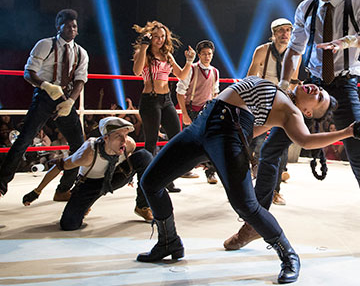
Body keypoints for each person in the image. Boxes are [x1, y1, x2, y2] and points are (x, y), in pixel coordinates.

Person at [223, 0, 360, 262]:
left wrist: (349, 41)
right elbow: (295, 50)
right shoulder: (306, 8)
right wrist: (285, 84)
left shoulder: (357, 5)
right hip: (312, 86)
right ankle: (255, 224)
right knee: (270, 151)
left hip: (344, 86)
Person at [136, 76, 360, 284]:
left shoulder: (292, 113)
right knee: (150, 182)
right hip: (203, 123)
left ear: (307, 113)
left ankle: (289, 256)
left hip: (224, 130)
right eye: (319, 89)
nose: (317, 90)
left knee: (246, 205)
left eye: (319, 98)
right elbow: (252, 130)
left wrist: (348, 132)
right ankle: (168, 241)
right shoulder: (279, 94)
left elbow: (305, 141)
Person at [0, 9, 88, 200]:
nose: (72, 29)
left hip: (65, 98)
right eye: (68, 26)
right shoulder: (45, 45)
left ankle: (63, 189)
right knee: (24, 140)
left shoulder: (81, 53)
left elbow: (80, 80)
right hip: (44, 96)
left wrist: (70, 101)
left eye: (74, 26)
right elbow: (29, 72)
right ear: (58, 26)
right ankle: (1, 185)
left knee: (79, 146)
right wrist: (46, 85)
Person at [22, 117, 154, 229]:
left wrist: (130, 176)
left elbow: (129, 159)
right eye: (118, 136)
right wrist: (37, 191)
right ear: (106, 138)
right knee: (69, 224)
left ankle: (142, 206)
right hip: (90, 184)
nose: (124, 141)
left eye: (125, 135)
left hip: (113, 177)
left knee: (144, 156)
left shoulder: (129, 144)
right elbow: (59, 166)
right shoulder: (88, 153)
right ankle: (84, 205)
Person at [132, 20, 195, 193]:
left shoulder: (167, 55)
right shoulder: (144, 53)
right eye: (156, 36)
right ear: (150, 37)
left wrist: (189, 61)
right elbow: (136, 72)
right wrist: (143, 47)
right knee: (151, 143)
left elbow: (181, 75)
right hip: (150, 100)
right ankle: (145, 184)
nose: (159, 40)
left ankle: (167, 179)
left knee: (175, 139)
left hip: (166, 100)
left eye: (162, 37)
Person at [246, 18, 300, 205]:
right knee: (255, 144)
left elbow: (294, 82)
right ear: (274, 33)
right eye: (281, 30)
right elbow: (250, 77)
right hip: (262, 102)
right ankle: (248, 187)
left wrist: (292, 106)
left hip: (281, 104)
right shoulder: (263, 51)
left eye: (288, 30)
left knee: (280, 148)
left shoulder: (295, 54)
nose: (285, 34)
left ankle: (275, 191)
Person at [176, 40, 220, 183]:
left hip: (207, 110)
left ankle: (210, 171)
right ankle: (185, 168)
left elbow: (215, 92)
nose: (207, 57)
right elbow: (180, 92)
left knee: (212, 141)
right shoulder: (192, 69)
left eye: (209, 54)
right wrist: (184, 114)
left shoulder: (215, 71)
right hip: (192, 110)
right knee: (190, 141)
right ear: (199, 55)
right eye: (204, 54)